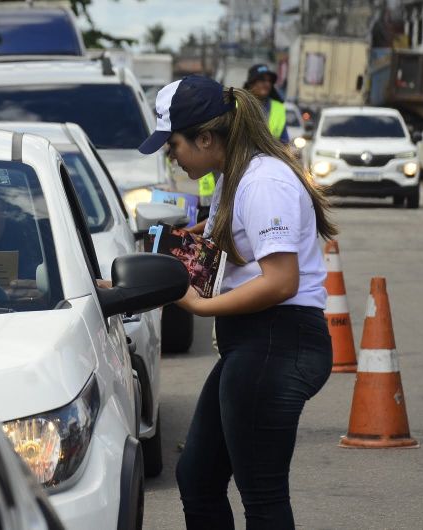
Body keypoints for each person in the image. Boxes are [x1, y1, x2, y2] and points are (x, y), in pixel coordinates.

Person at [138, 75, 337, 530]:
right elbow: (232, 263)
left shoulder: (264, 182)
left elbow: (282, 281)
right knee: (198, 478)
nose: (172, 157)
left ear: (206, 138)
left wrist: (200, 307)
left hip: (277, 342)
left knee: (262, 498)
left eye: (174, 146)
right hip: (254, 345)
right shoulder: (237, 177)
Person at [198, 64, 289, 225]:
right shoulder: (235, 106)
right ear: (251, 83)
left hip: (263, 173)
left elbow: (284, 144)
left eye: (269, 81)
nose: (266, 84)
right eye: (261, 80)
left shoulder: (278, 108)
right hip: (235, 169)